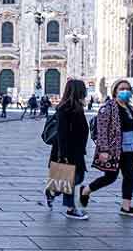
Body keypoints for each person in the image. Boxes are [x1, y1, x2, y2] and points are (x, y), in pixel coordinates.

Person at [80, 79, 133, 218]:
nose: (125, 91)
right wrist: (103, 149)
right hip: (114, 149)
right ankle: (86, 190)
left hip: (131, 148)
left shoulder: (130, 108)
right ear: (115, 91)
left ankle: (126, 207)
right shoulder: (108, 107)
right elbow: (102, 130)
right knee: (110, 177)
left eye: (127, 89)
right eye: (122, 89)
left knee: (129, 176)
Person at [44, 79, 89, 219]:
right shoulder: (66, 109)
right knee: (70, 178)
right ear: (78, 91)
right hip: (67, 151)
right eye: (84, 89)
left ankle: (52, 192)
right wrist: (63, 155)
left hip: (76, 150)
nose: (86, 91)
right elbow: (62, 134)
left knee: (76, 177)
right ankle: (70, 208)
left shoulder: (77, 107)